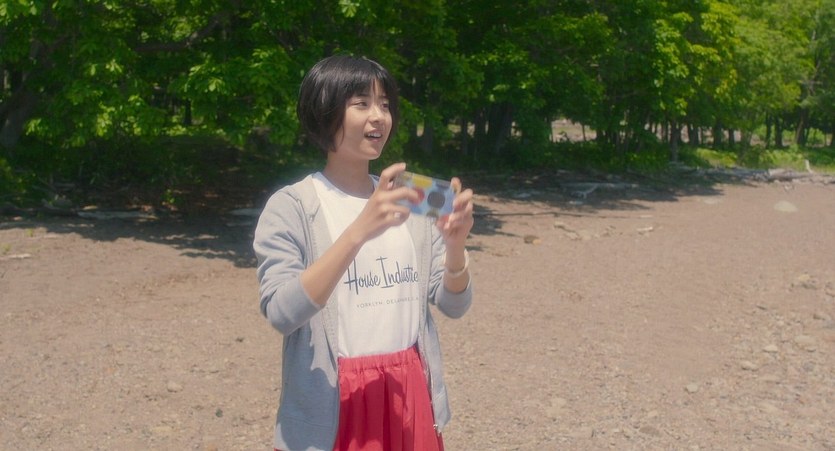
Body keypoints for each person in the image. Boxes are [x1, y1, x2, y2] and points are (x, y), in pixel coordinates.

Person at [253, 54, 475, 451]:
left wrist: (456, 248)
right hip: (333, 403)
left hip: (409, 392)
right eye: (361, 103)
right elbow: (281, 313)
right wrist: (358, 231)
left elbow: (454, 305)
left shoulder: (414, 194)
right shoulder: (292, 206)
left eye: (385, 104)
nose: (378, 116)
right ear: (325, 112)